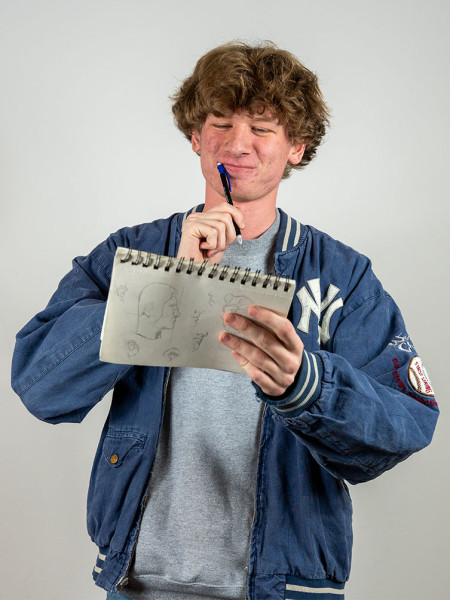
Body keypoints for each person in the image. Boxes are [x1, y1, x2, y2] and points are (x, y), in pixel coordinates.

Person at [11, 42, 439, 600]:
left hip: (284, 588)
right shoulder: (130, 254)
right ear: (196, 136)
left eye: (262, 128)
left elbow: (406, 425)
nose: (238, 144)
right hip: (137, 583)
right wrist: (164, 284)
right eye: (220, 123)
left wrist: (307, 385)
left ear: (296, 147)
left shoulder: (344, 277)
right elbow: (40, 386)